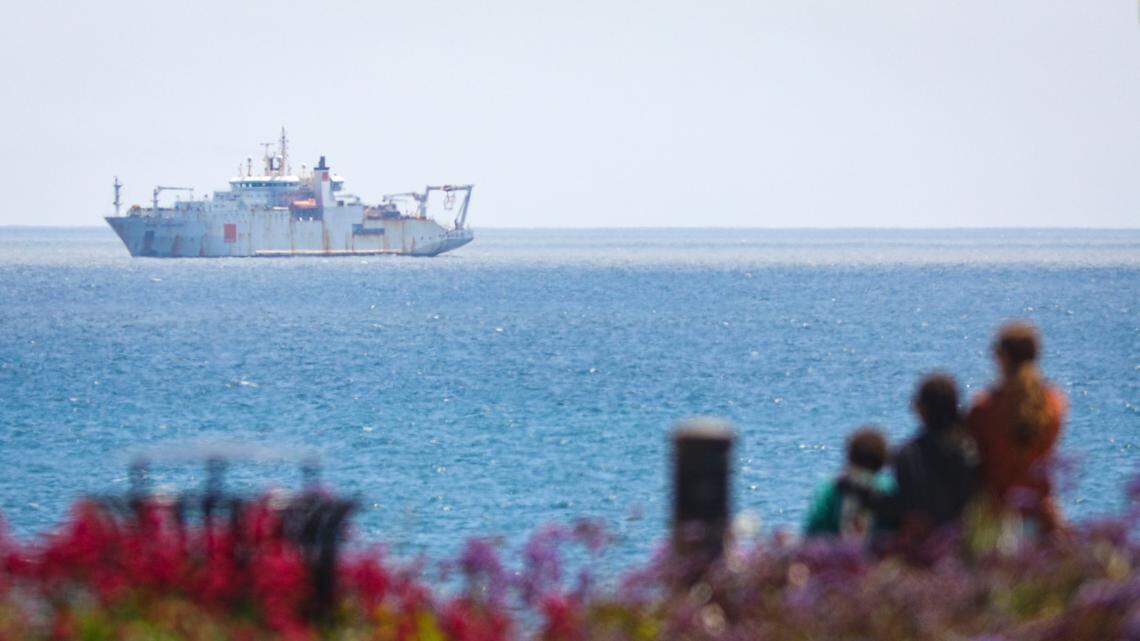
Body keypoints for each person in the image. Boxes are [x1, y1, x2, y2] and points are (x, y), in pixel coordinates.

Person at [966, 321, 1067, 535]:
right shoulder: (1054, 403)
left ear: (1001, 356)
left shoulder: (983, 408)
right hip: (1041, 515)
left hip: (996, 517)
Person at [890, 373, 978, 542]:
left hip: (923, 542)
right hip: (965, 539)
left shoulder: (908, 454)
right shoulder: (970, 451)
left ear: (921, 408)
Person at [804, 426, 893, 541]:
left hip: (837, 550)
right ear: (883, 460)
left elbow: (812, 532)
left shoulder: (831, 488)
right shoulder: (889, 488)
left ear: (849, 456)